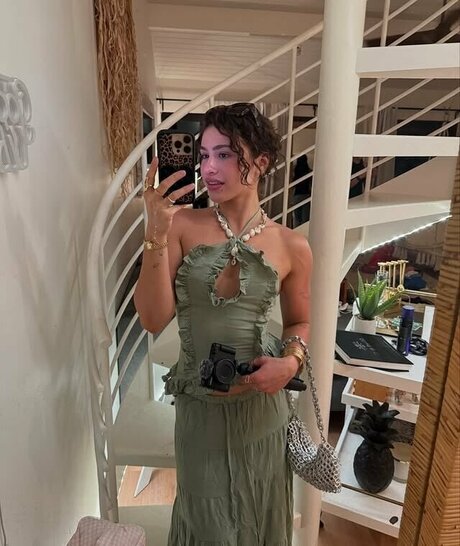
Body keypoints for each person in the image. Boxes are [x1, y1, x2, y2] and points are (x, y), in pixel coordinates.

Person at [134, 102, 312, 545]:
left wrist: (290, 364)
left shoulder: (292, 245)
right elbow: (152, 318)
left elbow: (300, 321)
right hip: (201, 412)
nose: (209, 168)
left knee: (259, 517)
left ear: (261, 163)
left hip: (263, 412)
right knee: (205, 522)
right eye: (204, 155)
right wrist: (155, 231)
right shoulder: (180, 225)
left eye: (225, 154)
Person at [292, 153, 312, 227]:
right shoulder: (309, 172)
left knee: (297, 218)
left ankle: (296, 230)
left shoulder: (295, 171)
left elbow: (293, 184)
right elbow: (311, 184)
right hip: (306, 195)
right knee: (305, 219)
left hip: (296, 196)